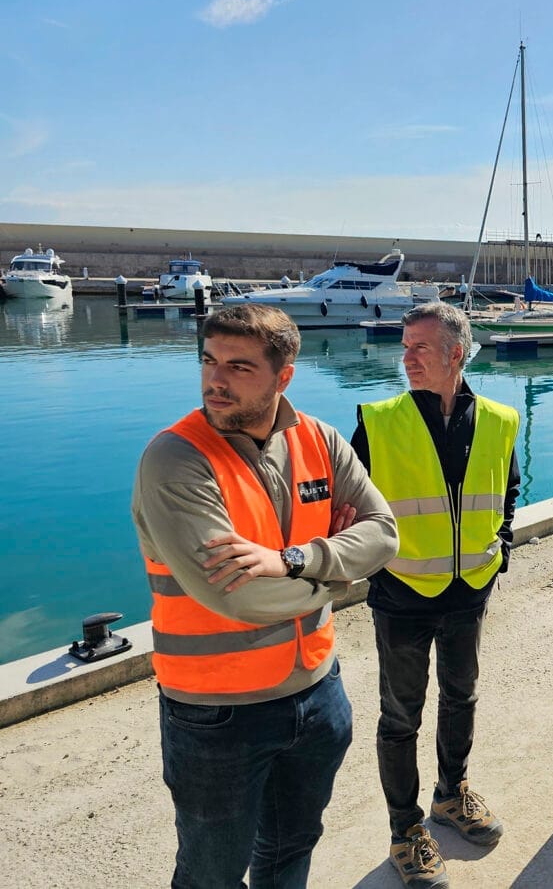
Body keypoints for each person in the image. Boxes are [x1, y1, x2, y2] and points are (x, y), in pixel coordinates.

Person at [132, 305, 398, 889]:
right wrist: (342, 571)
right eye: (208, 361)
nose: (215, 380)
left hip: (318, 692)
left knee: (291, 849)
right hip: (216, 713)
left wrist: (296, 560)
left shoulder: (320, 440)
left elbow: (384, 534)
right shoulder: (175, 459)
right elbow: (240, 598)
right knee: (212, 874)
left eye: (239, 366)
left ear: (284, 376)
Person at [351, 303, 520, 887]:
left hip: (469, 590)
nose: (407, 358)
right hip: (401, 593)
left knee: (461, 696)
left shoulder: (500, 419)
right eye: (404, 347)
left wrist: (499, 547)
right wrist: (376, 568)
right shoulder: (378, 421)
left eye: (419, 347)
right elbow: (351, 508)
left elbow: (508, 489)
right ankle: (406, 830)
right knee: (401, 716)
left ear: (456, 354)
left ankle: (451, 794)